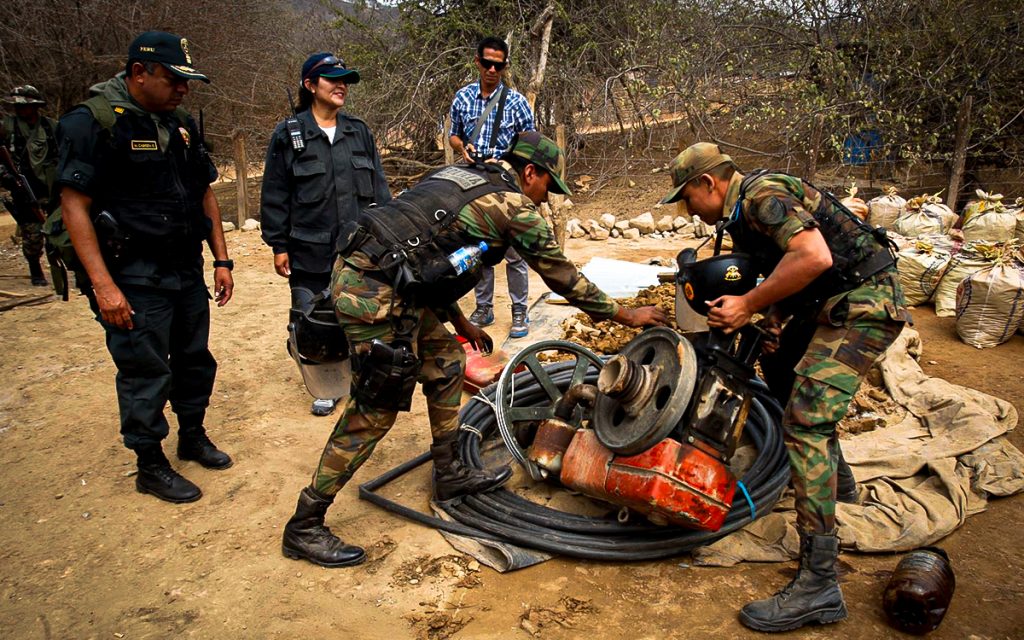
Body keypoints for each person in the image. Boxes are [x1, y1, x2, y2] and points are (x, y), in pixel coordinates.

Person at [282, 131, 668, 567]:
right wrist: (624, 315)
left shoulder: (459, 173)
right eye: (547, 187)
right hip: (371, 292)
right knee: (375, 408)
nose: (546, 199)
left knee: (446, 361)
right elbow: (561, 276)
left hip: (386, 278)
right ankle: (306, 523)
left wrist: (459, 320)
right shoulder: (512, 205)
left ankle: (450, 473)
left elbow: (421, 257)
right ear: (530, 172)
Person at [661, 142, 910, 632]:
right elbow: (786, 273)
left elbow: (813, 256)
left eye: (687, 197)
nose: (688, 209)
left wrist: (750, 304)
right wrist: (774, 316)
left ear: (708, 183)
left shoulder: (761, 196)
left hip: (863, 303)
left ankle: (819, 583)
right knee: (783, 377)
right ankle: (841, 489)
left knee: (805, 421)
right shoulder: (740, 218)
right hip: (832, 301)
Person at [57, 31, 234, 504]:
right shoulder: (93, 123)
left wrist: (221, 259)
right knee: (145, 368)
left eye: (187, 81)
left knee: (195, 358)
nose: (183, 89)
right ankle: (150, 462)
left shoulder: (178, 125)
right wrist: (103, 286)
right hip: (133, 276)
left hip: (184, 268)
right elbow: (74, 206)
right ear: (139, 72)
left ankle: (192, 435)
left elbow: (204, 192)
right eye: (174, 79)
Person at [261, 52, 391, 417]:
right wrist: (278, 244)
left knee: (362, 316)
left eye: (344, 79)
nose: (341, 85)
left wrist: (387, 236)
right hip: (311, 250)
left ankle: (361, 378)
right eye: (332, 79)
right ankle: (325, 385)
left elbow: (379, 190)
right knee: (315, 319)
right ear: (309, 85)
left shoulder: (358, 132)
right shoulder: (289, 135)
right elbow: (275, 193)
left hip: (359, 250)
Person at [448, 36, 536, 338]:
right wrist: (463, 148)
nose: (492, 70)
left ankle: (520, 310)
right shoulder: (462, 98)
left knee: (514, 250)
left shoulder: (516, 102)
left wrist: (507, 159)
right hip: (473, 182)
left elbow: (530, 144)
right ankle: (483, 307)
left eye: (498, 65)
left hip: (506, 184)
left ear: (505, 66)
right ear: (477, 62)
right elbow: (453, 135)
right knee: (479, 247)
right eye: (487, 63)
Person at [1, 85, 58, 286]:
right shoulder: (7, 127)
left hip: (52, 188)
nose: (19, 110)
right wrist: (7, 176)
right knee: (32, 233)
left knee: (60, 230)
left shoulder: (51, 127)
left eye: (24, 106)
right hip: (23, 188)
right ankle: (36, 270)